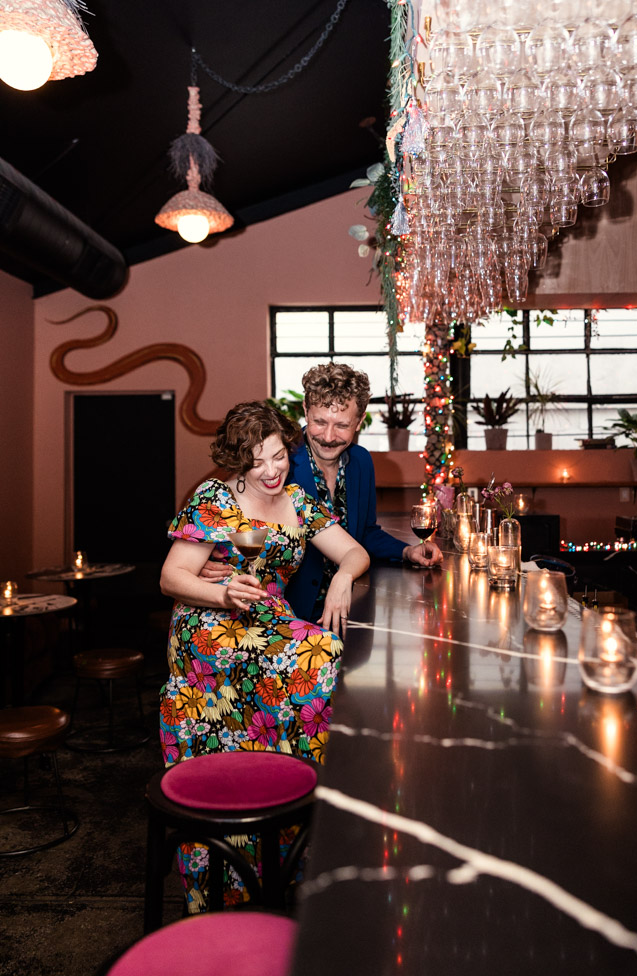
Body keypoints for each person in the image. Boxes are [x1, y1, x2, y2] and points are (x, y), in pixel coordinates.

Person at [159, 400, 369, 910]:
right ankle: (256, 858)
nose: (272, 471)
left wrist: (343, 578)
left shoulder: (299, 499)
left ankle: (301, 848)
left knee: (336, 659)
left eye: (278, 456)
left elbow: (354, 551)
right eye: (257, 462)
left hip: (267, 621)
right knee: (317, 669)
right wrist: (223, 593)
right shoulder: (214, 499)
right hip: (210, 630)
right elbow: (171, 578)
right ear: (238, 462)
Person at [202, 363, 442, 621]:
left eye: (341, 425)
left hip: (351, 600)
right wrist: (206, 552)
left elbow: (366, 532)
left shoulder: (361, 462)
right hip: (288, 610)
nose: (328, 436)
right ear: (305, 411)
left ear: (360, 421)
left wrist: (406, 552)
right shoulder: (277, 462)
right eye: (319, 422)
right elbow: (222, 506)